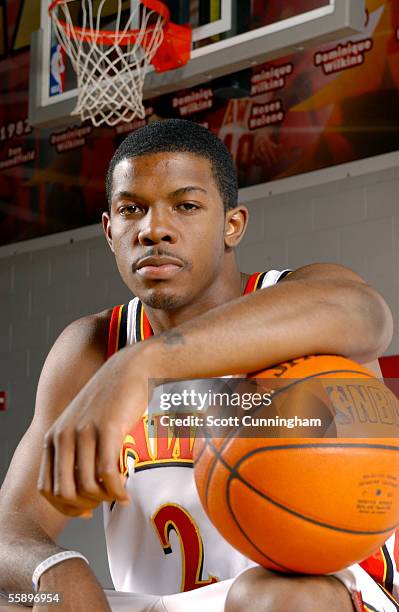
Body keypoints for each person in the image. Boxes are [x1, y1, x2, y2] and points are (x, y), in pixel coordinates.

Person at [0, 119, 396, 612]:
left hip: (326, 594)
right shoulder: (90, 346)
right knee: (18, 599)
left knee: (279, 599)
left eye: (185, 205)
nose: (154, 229)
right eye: (131, 210)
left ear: (232, 225)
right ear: (109, 231)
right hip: (164, 605)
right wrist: (51, 570)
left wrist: (143, 366)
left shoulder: (302, 301)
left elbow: (368, 315)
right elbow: (11, 528)